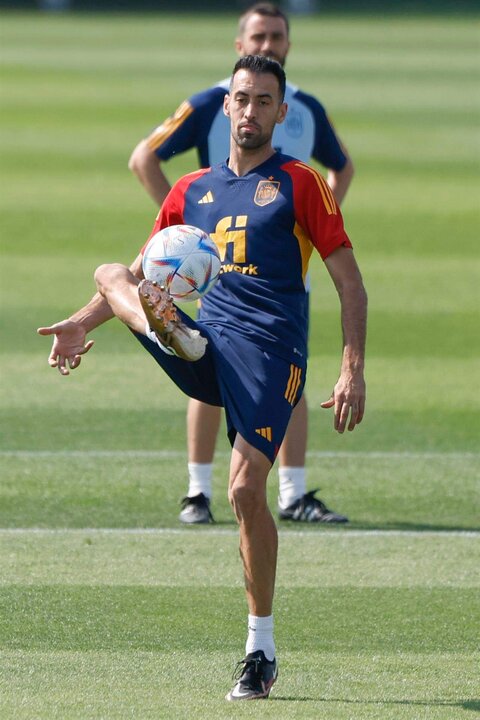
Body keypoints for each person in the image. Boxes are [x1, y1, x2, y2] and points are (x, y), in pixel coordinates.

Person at [38, 56, 367, 700]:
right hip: (207, 344)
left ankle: (260, 651)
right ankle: (179, 334)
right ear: (227, 107)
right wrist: (82, 324)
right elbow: (136, 271)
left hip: (270, 355)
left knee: (246, 490)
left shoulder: (302, 183)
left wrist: (351, 364)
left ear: (281, 113)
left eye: (263, 101)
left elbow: (349, 281)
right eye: (241, 98)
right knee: (112, 271)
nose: (250, 110)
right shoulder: (190, 190)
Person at [129, 2, 354, 525]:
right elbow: (146, 157)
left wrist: (312, 227)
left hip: (279, 264)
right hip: (214, 264)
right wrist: (181, 242)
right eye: (258, 36)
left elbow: (340, 167)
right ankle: (197, 490)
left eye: (276, 37)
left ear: (288, 47)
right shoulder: (211, 101)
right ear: (239, 46)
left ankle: (293, 493)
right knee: (205, 363)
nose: (266, 45)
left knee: (283, 375)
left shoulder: (305, 108)